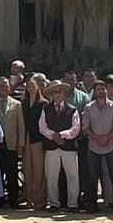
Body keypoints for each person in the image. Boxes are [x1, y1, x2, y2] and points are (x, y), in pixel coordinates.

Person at [81, 79, 113, 214]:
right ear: (95, 91)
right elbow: (85, 128)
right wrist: (96, 138)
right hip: (93, 146)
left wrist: (107, 137)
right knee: (92, 177)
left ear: (107, 90)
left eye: (103, 88)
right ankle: (92, 204)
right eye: (99, 89)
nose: (101, 91)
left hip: (111, 145)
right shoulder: (88, 108)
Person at [39, 80, 81, 212]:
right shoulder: (46, 109)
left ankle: (73, 204)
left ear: (64, 93)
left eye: (60, 91)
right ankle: (54, 203)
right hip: (52, 147)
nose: (57, 94)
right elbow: (42, 127)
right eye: (55, 92)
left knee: (73, 176)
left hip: (68, 147)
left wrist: (62, 135)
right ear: (51, 94)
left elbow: (76, 128)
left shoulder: (72, 109)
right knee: (51, 176)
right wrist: (53, 136)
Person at [0, 77, 24, 208]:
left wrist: (20, 144)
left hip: (12, 143)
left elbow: (21, 126)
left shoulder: (17, 104)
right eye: (1, 86)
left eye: (6, 86)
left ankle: (13, 201)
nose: (4, 88)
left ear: (10, 88)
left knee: (12, 174)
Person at [22, 76, 48, 210]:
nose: (30, 87)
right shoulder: (24, 103)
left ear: (37, 86)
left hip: (39, 140)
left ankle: (40, 200)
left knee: (39, 171)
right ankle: (29, 198)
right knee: (28, 170)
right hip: (27, 139)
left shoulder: (44, 103)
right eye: (28, 85)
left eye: (32, 85)